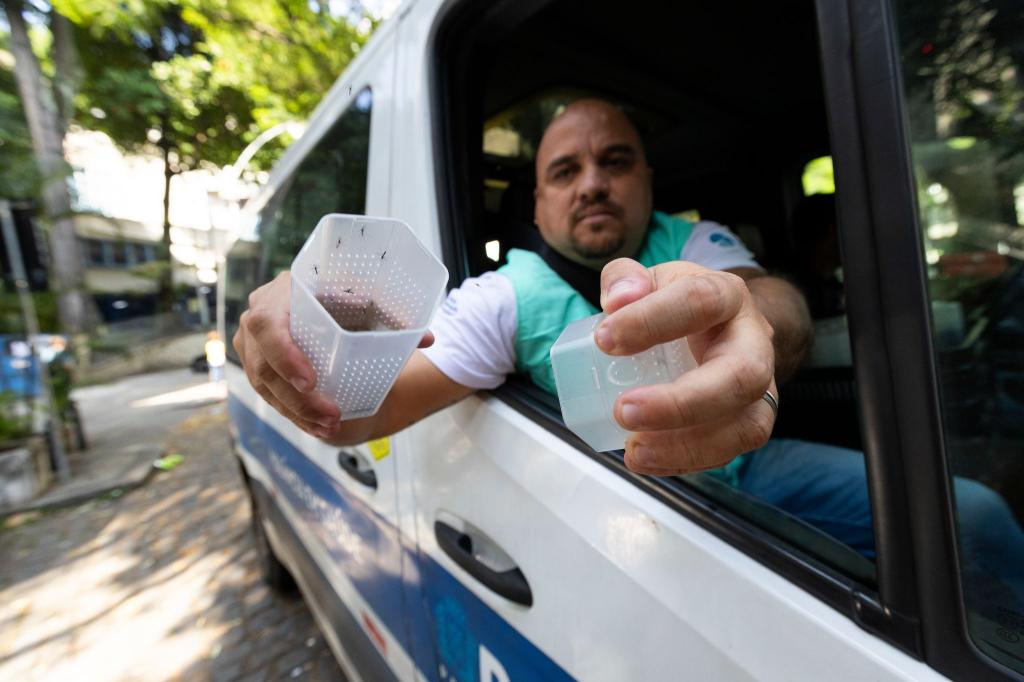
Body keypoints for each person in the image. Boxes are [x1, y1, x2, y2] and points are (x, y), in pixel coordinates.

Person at [233, 98, 812, 476]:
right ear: (537, 206)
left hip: (755, 470)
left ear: (647, 181)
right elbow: (355, 418)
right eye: (564, 171)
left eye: (615, 162)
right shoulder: (502, 299)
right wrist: (308, 331)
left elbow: (775, 302)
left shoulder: (695, 241)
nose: (591, 184)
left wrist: (751, 319)